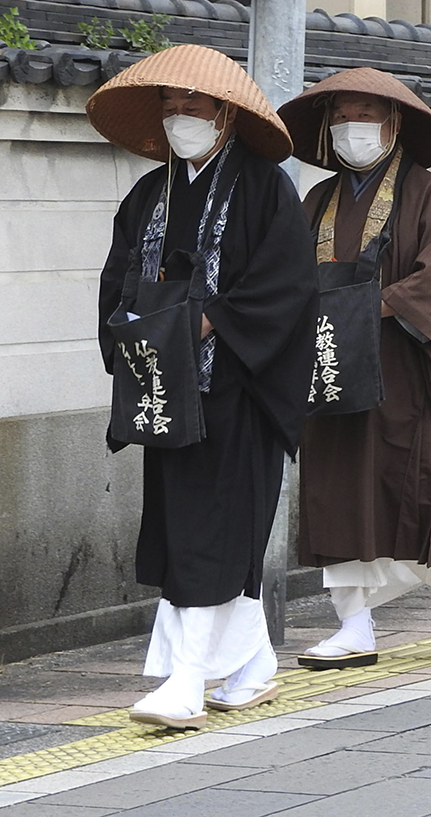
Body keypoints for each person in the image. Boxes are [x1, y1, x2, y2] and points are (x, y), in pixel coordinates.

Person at [90, 44, 317, 729]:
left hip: (236, 391)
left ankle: (186, 680)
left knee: (213, 533)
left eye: (194, 104)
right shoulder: (148, 193)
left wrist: (209, 323)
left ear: (225, 113)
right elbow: (116, 279)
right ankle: (252, 666)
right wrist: (137, 332)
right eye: (170, 104)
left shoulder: (264, 186)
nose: (180, 114)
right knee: (191, 530)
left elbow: (286, 285)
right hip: (167, 389)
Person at [278, 67, 431, 667]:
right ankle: (353, 624)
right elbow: (286, 281)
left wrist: (372, 305)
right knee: (332, 487)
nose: (351, 127)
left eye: (365, 114)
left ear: (393, 123)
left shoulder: (426, 194)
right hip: (328, 361)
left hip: (397, 361)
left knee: (411, 483)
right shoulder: (316, 200)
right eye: (340, 116)